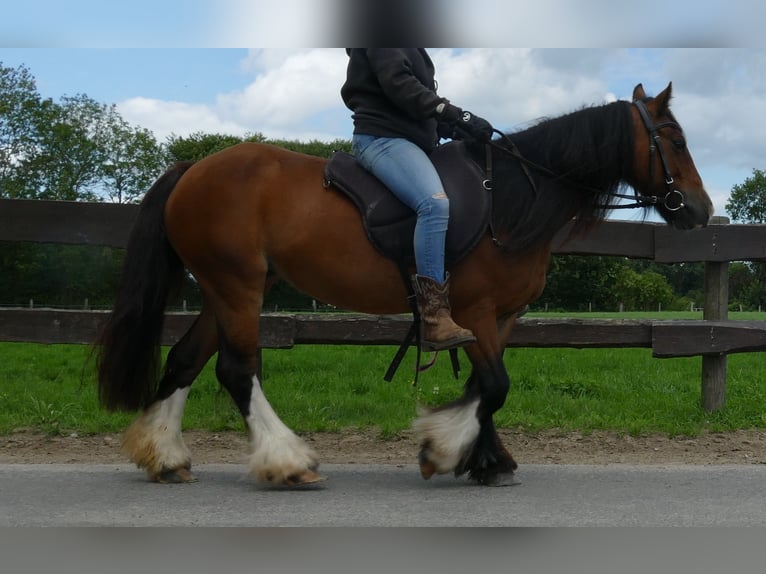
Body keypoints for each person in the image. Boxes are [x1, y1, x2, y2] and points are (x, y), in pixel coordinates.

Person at [341, 48, 494, 352]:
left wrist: (456, 127)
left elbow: (416, 104)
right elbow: (399, 84)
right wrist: (454, 113)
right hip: (383, 140)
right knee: (434, 204)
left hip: (415, 143)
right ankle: (435, 316)